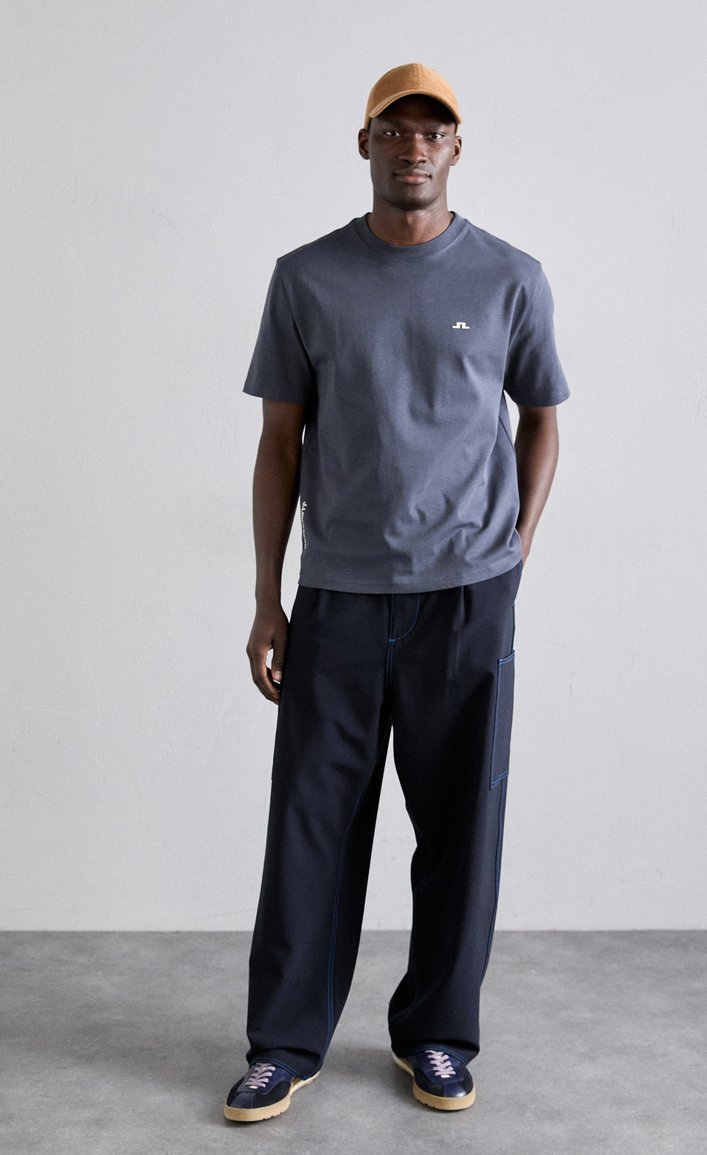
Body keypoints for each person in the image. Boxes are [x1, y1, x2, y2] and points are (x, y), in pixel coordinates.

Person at [224, 62, 570, 1123]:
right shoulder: (306, 278)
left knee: (462, 826)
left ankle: (436, 1035)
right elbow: (278, 444)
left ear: (456, 149)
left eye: (432, 130)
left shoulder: (510, 276)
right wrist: (268, 598)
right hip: (338, 596)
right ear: (365, 143)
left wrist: (511, 551)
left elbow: (542, 419)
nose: (413, 146)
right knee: (311, 825)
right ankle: (284, 1045)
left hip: (466, 597)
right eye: (394, 128)